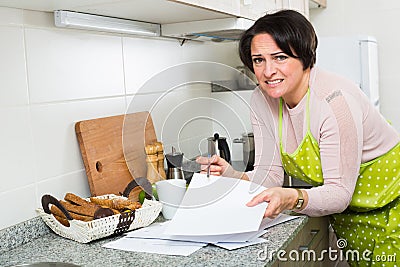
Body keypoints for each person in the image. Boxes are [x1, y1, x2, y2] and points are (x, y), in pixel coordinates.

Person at [196, 9, 399, 267]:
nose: (268, 71)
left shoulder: (334, 102)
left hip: (393, 209)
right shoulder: (261, 99)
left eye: (279, 57)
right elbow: (269, 173)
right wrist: (233, 176)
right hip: (350, 218)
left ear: (304, 57)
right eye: (258, 60)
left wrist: (292, 197)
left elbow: (339, 193)